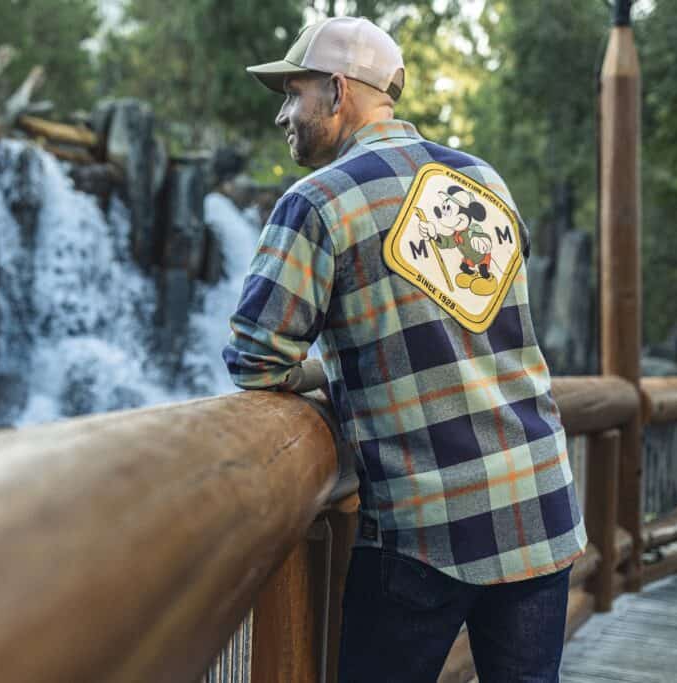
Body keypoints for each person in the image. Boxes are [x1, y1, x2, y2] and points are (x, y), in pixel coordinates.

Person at [223, 16, 586, 683]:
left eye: (294, 94)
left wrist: (322, 371)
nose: (284, 114)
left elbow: (254, 358)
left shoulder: (317, 202)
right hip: (539, 503)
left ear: (337, 92)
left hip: (426, 532)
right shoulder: (485, 180)